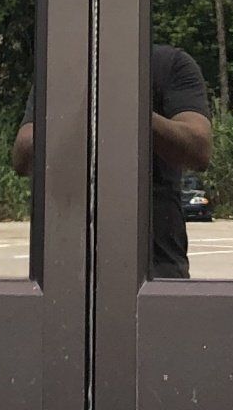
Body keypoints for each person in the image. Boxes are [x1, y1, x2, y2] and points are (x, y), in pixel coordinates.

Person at [12, 42, 213, 280]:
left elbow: (199, 149)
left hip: (156, 267)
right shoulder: (62, 71)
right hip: (67, 269)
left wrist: (126, 107)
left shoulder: (169, 64)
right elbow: (22, 157)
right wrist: (75, 112)